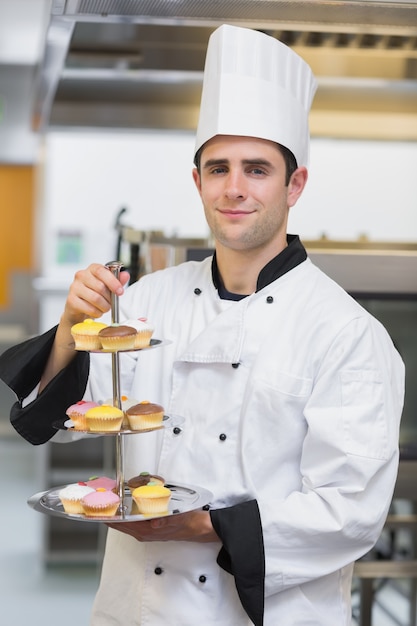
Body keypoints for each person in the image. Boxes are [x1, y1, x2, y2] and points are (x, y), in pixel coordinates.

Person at [0, 24, 405, 626]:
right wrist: (71, 328)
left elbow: (349, 513)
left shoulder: (346, 333)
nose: (234, 189)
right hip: (134, 609)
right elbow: (62, 422)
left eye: (257, 169)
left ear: (295, 185)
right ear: (197, 182)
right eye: (218, 168)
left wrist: (202, 524)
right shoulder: (146, 302)